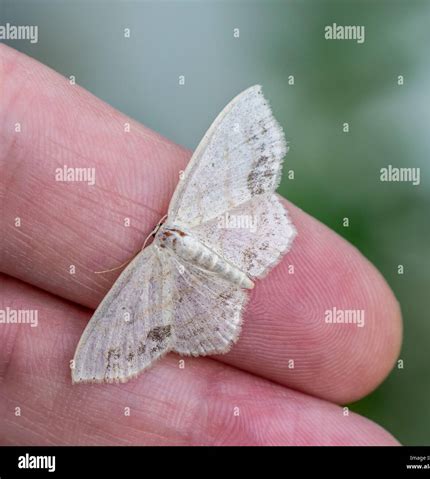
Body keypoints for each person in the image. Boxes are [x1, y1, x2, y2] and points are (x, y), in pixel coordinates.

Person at [0, 44, 402, 445]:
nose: (159, 233)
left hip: (210, 253)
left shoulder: (148, 261)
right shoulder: (173, 225)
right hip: (224, 235)